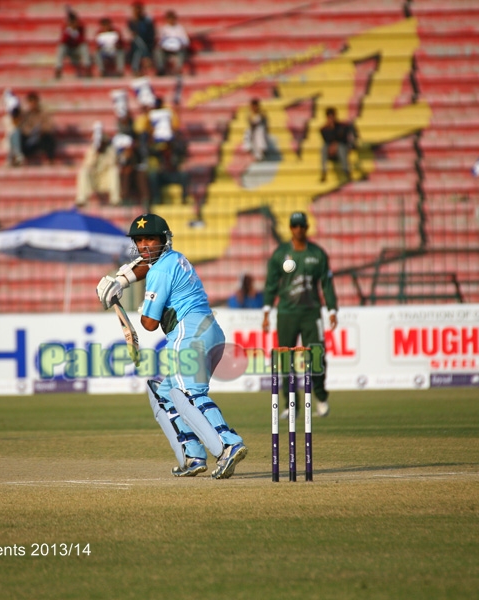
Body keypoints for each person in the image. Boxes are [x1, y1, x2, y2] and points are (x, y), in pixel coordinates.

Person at [95, 214, 248, 479]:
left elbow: (150, 323)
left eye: (150, 239)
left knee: (188, 392)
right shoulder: (173, 259)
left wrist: (133, 305)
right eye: (139, 240)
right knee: (164, 393)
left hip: (188, 332)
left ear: (163, 240)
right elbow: (146, 265)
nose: (144, 245)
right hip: (208, 331)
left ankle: (228, 443)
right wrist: (121, 280)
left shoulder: (161, 269)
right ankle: (193, 454)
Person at [262, 211, 338, 418]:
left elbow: (327, 283)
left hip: (311, 312)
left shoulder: (317, 254)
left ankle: (321, 398)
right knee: (285, 358)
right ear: (290, 228)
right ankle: (291, 405)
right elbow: (271, 284)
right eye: (295, 226)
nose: (298, 230)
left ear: (306, 227)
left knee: (316, 355)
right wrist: (267, 310)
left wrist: (332, 309)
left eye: (302, 226)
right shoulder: (280, 254)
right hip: (287, 312)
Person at [75, 123, 121, 206]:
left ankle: (115, 199)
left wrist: (104, 153)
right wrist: (95, 154)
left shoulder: (110, 150)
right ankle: (82, 199)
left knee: (114, 171)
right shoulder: (91, 150)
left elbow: (112, 163)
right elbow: (87, 164)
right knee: (83, 172)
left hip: (105, 178)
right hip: (94, 178)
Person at [7, 92, 57, 166]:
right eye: (30, 102)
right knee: (14, 135)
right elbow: (22, 127)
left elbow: (50, 126)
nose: (32, 104)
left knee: (48, 138)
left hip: (40, 139)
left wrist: (41, 130)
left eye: (33, 102)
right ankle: (17, 157)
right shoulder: (25, 115)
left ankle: (51, 160)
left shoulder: (43, 114)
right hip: (29, 140)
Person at [319, 107, 356, 183]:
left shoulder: (341, 127)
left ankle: (346, 171)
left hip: (340, 149)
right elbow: (327, 140)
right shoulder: (324, 129)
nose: (331, 119)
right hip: (331, 151)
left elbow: (343, 139)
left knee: (341, 147)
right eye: (329, 117)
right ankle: (323, 171)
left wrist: (336, 144)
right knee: (324, 148)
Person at [54, 8, 90, 79]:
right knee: (61, 47)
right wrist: (69, 31)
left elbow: (82, 40)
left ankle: (87, 67)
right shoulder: (65, 27)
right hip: (68, 49)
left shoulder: (80, 27)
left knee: (84, 46)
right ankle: (58, 68)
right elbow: (63, 40)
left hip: (77, 49)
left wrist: (75, 32)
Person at [154, 10, 189, 76]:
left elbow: (186, 41)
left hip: (178, 49)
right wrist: (162, 45)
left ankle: (178, 69)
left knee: (183, 51)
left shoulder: (180, 28)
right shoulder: (164, 29)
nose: (171, 20)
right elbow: (160, 41)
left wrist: (180, 44)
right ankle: (161, 69)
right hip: (167, 49)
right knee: (157, 51)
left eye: (172, 18)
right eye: (169, 18)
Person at [127, 1, 156, 76]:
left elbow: (151, 35)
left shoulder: (147, 21)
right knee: (137, 43)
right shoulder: (131, 22)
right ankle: (147, 57)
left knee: (139, 48)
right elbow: (132, 35)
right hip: (136, 45)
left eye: (138, 9)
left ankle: (135, 68)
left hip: (147, 43)